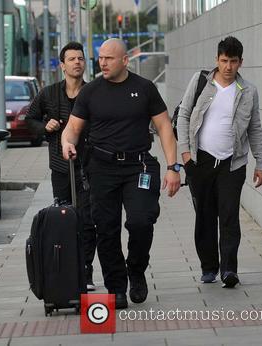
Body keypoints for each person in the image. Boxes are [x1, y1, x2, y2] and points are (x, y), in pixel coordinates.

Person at [61, 38, 181, 309]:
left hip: (139, 166)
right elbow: (73, 128)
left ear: (125, 60)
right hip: (102, 168)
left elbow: (164, 127)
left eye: (109, 58)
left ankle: (136, 270)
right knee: (106, 229)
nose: (102, 62)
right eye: (100, 57)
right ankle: (116, 287)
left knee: (141, 221)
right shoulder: (90, 92)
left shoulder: (144, 88)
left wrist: (174, 167)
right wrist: (67, 143)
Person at [177, 36, 262, 288]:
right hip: (200, 161)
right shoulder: (200, 81)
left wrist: (261, 162)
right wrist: (185, 154)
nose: (228, 67)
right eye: (224, 61)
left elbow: (255, 128)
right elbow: (184, 115)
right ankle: (208, 267)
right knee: (205, 216)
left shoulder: (248, 91)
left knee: (229, 216)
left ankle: (229, 269)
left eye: (233, 62)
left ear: (241, 63)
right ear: (217, 59)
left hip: (232, 163)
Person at [25, 42, 97, 291]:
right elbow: (30, 119)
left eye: (81, 58)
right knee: (65, 218)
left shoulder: (94, 91)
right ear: (62, 65)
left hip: (89, 167)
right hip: (60, 167)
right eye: (72, 59)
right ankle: (68, 271)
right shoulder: (49, 93)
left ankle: (86, 271)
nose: (77, 62)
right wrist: (45, 127)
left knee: (88, 220)